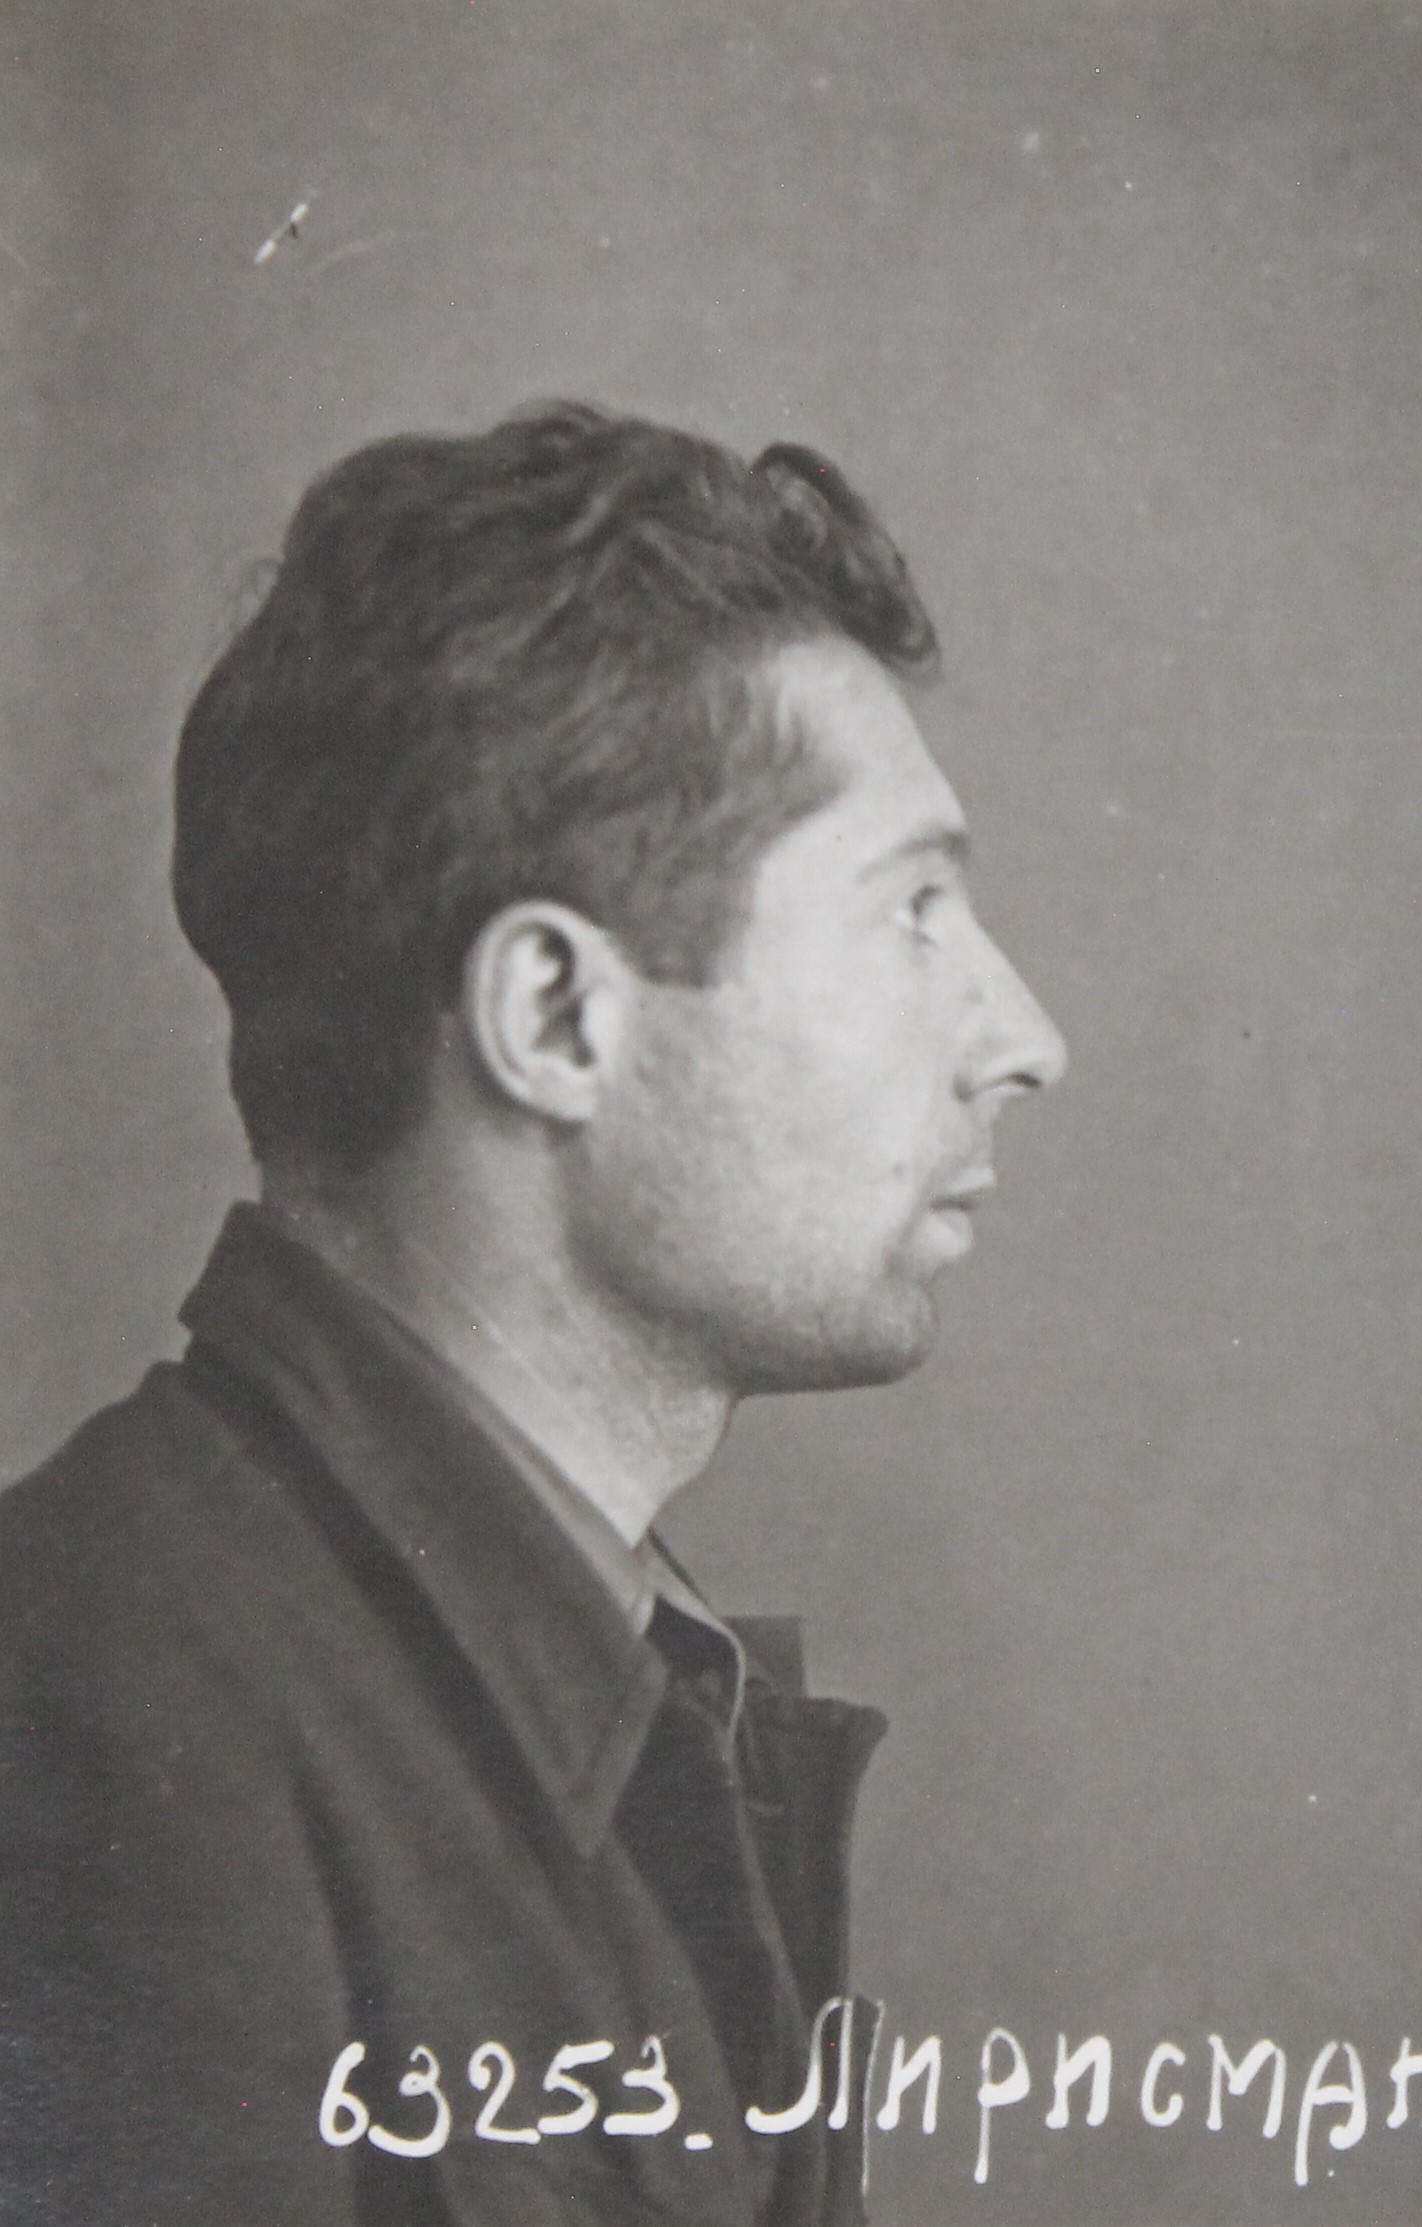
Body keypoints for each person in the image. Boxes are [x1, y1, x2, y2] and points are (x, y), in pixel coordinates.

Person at [0, 403, 1065, 2224]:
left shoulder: (627, 1696)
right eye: (910, 914)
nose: (1025, 1040)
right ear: (556, 1019)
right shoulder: (92, 1725)